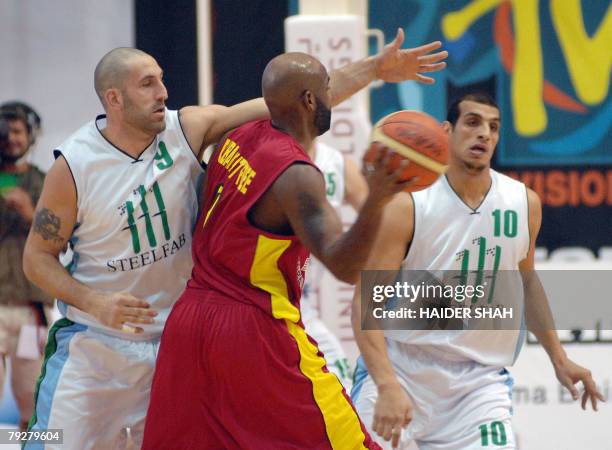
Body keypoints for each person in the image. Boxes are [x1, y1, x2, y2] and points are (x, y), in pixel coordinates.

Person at [23, 32, 447, 449]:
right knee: (46, 442)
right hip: (97, 345)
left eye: (162, 79)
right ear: (113, 98)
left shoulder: (188, 128)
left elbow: (286, 98)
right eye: (147, 84)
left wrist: (374, 68)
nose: (162, 93)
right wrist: (94, 301)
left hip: (172, 338)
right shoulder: (75, 164)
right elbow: (37, 258)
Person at [142, 44, 447, 449]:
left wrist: (375, 67)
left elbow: (311, 89)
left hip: (191, 321)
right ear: (308, 101)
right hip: (252, 328)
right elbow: (344, 266)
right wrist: (377, 198)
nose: (330, 93)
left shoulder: (242, 132)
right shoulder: (297, 175)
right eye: (324, 89)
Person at [350, 93, 605, 450]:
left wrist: (559, 358)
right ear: (446, 131)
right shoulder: (408, 204)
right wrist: (387, 384)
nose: (484, 134)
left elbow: (527, 282)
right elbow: (366, 303)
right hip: (402, 370)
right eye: (472, 123)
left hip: (478, 386)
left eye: (493, 127)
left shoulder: (523, 202)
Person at [301, 138, 368, 389]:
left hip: (300, 305)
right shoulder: (266, 158)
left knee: (342, 387)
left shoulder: (337, 166)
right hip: (259, 301)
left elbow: (380, 220)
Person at [0, 103, 51, 432]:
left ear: (30, 135)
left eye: (18, 131)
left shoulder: (45, 180)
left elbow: (59, 237)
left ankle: (35, 444)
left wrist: (30, 212)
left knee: (31, 395)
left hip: (31, 307)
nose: (10, 139)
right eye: (5, 131)